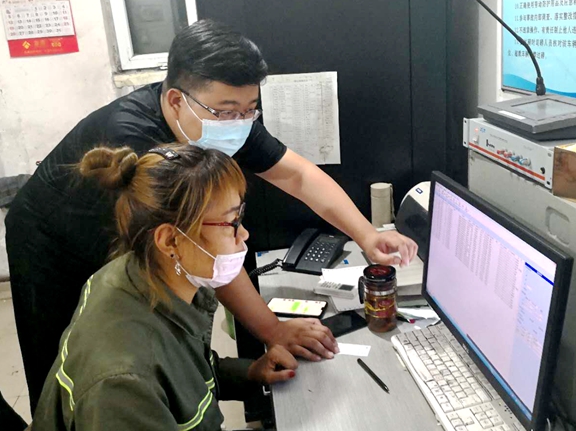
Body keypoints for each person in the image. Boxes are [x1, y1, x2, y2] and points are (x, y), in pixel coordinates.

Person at [5, 19, 418, 413]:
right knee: (69, 370)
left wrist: (367, 235)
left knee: (160, 353)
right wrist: (272, 330)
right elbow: (204, 247)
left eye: (250, 108)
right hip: (51, 241)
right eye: (227, 110)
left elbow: (297, 175)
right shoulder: (134, 139)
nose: (239, 122)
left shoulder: (218, 118)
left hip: (138, 242)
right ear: (175, 100)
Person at [32, 145, 301, 431]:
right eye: (232, 222)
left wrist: (250, 372)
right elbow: (154, 375)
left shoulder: (150, 277)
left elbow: (183, 371)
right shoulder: (122, 384)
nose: (243, 233)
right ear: (171, 241)